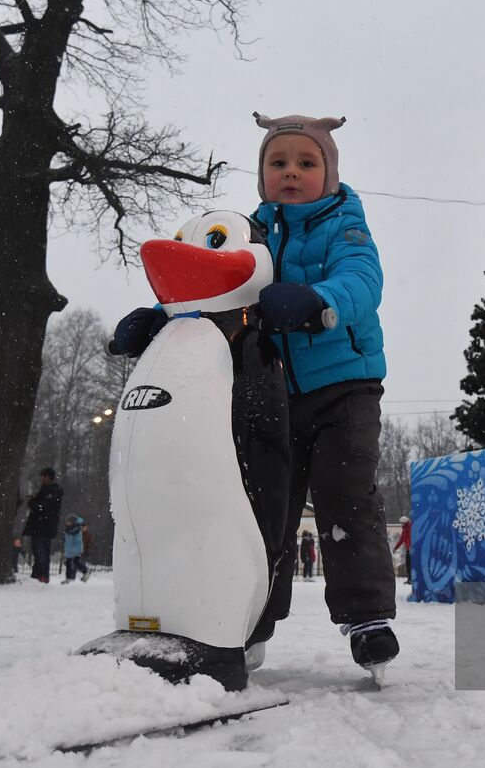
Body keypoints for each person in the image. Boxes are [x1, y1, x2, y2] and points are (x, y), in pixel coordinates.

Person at [112, 112, 398, 673]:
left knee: (345, 496)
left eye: (306, 163)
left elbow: (362, 282)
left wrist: (319, 300)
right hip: (271, 394)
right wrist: (163, 319)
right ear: (262, 174)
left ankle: (367, 618)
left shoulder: (346, 228)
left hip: (345, 387)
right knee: (262, 509)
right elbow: (217, 283)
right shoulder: (250, 233)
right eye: (278, 162)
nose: (291, 172)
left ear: (330, 173)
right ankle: (247, 619)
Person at [21, 468, 63, 583]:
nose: (41, 479)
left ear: (48, 477)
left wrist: (32, 502)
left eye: (43, 477)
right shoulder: (47, 490)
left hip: (43, 527)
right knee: (38, 551)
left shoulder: (53, 491)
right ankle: (38, 574)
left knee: (41, 552)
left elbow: (44, 507)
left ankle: (42, 575)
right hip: (41, 526)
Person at [62, 514, 91, 584]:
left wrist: (75, 550)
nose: (67, 523)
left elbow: (78, 541)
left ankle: (86, 571)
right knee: (69, 563)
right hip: (69, 550)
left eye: (68, 521)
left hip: (75, 550)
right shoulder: (69, 529)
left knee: (76, 562)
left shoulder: (76, 530)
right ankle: (68, 577)